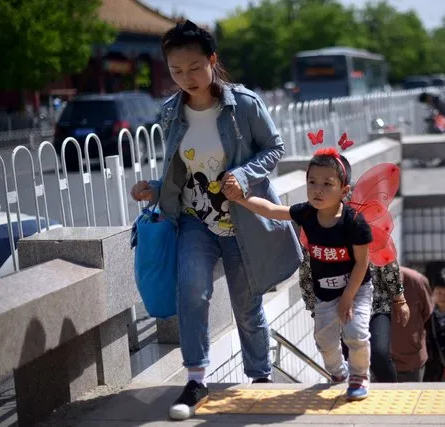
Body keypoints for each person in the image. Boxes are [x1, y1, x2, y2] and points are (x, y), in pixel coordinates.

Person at [130, 20, 302, 420]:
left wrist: (242, 175)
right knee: (191, 290)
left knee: (247, 303)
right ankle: (195, 379)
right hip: (193, 220)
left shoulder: (243, 104)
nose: (185, 78)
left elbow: (274, 147)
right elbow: (180, 170)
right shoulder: (170, 112)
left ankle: (259, 378)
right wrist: (155, 189)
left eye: (193, 67)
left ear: (212, 60)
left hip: (242, 220)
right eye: (175, 71)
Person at [232, 148, 374, 400]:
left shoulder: (355, 223)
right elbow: (273, 211)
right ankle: (337, 372)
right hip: (325, 293)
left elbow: (362, 263)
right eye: (312, 182)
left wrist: (348, 298)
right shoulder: (307, 213)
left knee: (356, 332)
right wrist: (241, 198)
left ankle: (359, 376)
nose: (318, 189)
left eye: (327, 184)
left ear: (344, 190)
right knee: (324, 341)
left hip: (356, 289)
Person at [300, 254, 410, 383]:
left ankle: (391, 394)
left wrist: (399, 299)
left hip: (376, 303)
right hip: (337, 309)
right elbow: (306, 275)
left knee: (379, 353)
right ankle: (350, 390)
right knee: (348, 357)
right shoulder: (317, 238)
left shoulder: (368, 235)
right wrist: (317, 312)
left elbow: (387, 260)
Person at [392, 266, 433, 382]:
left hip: (413, 360)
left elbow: (427, 313)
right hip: (383, 360)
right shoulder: (374, 283)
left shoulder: (418, 281)